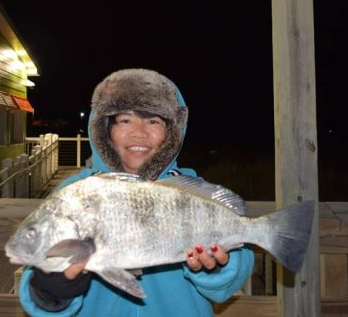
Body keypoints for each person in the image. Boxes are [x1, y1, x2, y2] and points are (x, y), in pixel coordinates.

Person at [18, 68, 254, 316]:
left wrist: (216, 270)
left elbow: (232, 276)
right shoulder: (76, 193)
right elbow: (34, 292)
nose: (138, 132)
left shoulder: (192, 191)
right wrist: (52, 290)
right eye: (125, 120)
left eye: (153, 121)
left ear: (172, 132)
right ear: (105, 129)